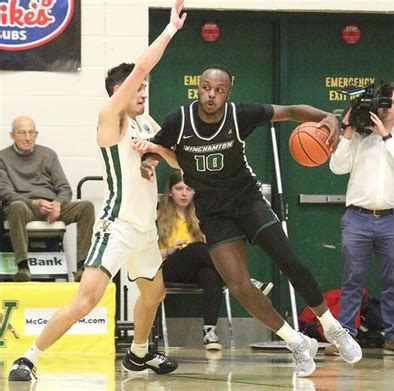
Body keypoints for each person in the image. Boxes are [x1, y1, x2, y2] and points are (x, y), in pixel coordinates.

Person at [138, 64, 362, 378]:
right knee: (239, 285)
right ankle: (296, 341)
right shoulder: (180, 119)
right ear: (198, 88)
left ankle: (332, 327)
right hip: (213, 213)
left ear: (228, 91)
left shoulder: (239, 114)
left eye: (218, 90)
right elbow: (157, 149)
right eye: (205, 88)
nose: (210, 95)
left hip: (247, 200)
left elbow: (289, 110)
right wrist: (148, 163)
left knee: (288, 260)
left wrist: (326, 116)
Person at [8, 0, 187, 382]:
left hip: (145, 230)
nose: (144, 92)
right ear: (120, 91)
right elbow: (142, 66)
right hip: (118, 225)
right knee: (86, 301)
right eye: (139, 87)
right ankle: (28, 357)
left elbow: (177, 164)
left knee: (155, 295)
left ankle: (139, 354)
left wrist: (155, 150)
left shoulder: (146, 124)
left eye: (146, 88)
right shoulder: (110, 118)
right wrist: (169, 29)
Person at [328, 82, 394, 356]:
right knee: (352, 281)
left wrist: (383, 134)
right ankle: (345, 337)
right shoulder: (358, 136)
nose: (384, 108)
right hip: (357, 218)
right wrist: (346, 130)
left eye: (389, 102)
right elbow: (337, 167)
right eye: (381, 103)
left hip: (392, 219)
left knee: (392, 282)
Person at [158, 170, 273, 351]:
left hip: (196, 267)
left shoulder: (200, 215)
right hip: (167, 266)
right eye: (178, 189)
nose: (184, 193)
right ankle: (246, 281)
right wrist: (171, 249)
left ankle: (209, 332)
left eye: (188, 189)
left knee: (210, 274)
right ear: (170, 192)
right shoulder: (158, 216)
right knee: (197, 248)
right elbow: (148, 256)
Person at [0, 115, 95, 282]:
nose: (28, 137)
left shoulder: (48, 155)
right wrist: (34, 203)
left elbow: (64, 188)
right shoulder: (3, 158)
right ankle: (23, 267)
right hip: (25, 207)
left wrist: (57, 204)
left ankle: (82, 267)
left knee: (86, 207)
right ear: (12, 135)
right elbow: (5, 192)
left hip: (51, 206)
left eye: (31, 132)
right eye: (22, 133)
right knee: (15, 206)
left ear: (36, 134)